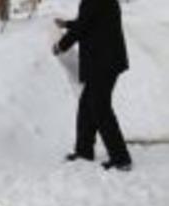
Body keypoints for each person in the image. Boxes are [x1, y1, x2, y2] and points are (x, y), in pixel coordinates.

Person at [53, 0, 132, 171]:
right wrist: (67, 24)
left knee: (100, 108)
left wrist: (60, 46)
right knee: (87, 105)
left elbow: (83, 26)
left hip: (104, 62)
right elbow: (89, 21)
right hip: (104, 61)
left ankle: (121, 158)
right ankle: (84, 150)